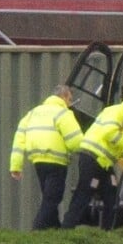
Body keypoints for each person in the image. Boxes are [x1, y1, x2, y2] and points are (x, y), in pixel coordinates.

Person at [62, 88, 123, 230]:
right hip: (93, 158)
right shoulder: (119, 112)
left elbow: (116, 145)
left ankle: (108, 231)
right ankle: (67, 227)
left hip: (103, 162)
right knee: (84, 193)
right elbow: (110, 133)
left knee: (112, 196)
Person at [10, 84, 83, 230]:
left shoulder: (32, 113)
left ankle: (54, 228)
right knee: (53, 198)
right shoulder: (63, 113)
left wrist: (16, 166)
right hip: (56, 161)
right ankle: (37, 228)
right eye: (70, 99)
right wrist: (87, 151)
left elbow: (19, 139)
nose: (70, 103)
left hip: (38, 161)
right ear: (63, 97)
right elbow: (75, 140)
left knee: (48, 195)